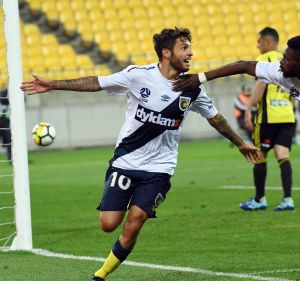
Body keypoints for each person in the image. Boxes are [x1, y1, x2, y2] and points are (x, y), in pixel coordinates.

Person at [21, 28, 258, 281]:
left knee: (136, 219)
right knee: (108, 224)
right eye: (184, 48)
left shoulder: (193, 88)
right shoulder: (137, 76)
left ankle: (100, 276)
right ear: (166, 53)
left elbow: (216, 118)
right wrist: (54, 84)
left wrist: (240, 142)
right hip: (126, 160)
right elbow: (97, 83)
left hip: (160, 168)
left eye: (190, 47)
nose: (191, 53)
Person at [241, 27, 296, 211]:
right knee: (283, 156)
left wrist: (248, 108)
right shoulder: (290, 58)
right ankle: (288, 199)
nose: (258, 46)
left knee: (259, 156)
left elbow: (261, 84)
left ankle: (259, 199)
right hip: (287, 116)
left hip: (267, 118)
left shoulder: (265, 59)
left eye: (259, 42)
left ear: (267, 42)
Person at [0, 89, 12, 163]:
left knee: (10, 140)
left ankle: (11, 158)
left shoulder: (17, 91)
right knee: (8, 140)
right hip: (3, 120)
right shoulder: (3, 93)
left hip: (7, 120)